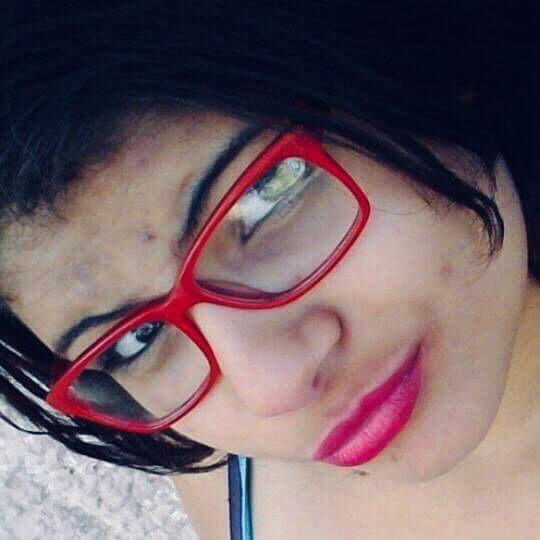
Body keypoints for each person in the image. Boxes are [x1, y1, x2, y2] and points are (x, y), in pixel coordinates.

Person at [0, 2, 538, 538]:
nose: (273, 389)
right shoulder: (229, 484)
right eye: (135, 342)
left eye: (264, 199)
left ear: (414, 61)